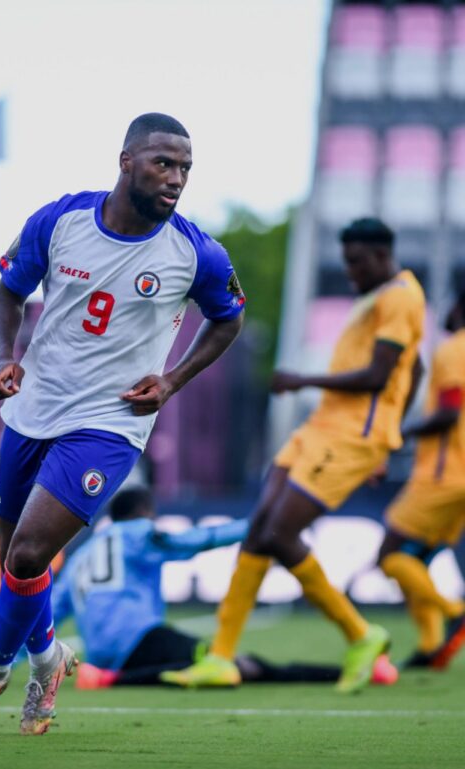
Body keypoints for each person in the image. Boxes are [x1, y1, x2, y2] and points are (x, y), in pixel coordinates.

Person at [0, 113, 246, 735]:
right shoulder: (59, 221)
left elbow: (229, 318)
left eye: (185, 168)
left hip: (110, 422)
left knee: (29, 551)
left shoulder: (197, 252)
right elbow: (6, 296)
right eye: (163, 163)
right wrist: (3, 358)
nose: (175, 178)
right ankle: (47, 660)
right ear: (126, 160)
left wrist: (173, 379)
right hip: (33, 409)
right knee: (16, 564)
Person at [162, 217, 425, 694]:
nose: (351, 273)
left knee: (280, 533)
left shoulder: (402, 298)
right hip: (322, 430)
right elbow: (417, 366)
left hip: (348, 438)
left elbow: (379, 375)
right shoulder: (380, 296)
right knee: (260, 528)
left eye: (357, 263)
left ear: (382, 256)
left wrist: (304, 382)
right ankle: (221, 656)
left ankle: (362, 634)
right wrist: (395, 431)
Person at [49, 488, 397, 689]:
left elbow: (50, 615)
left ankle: (107, 673)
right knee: (230, 664)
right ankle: (112, 680)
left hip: (97, 648)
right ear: (144, 513)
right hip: (139, 639)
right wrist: (253, 528)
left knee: (216, 663)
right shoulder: (138, 532)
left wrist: (8, 658)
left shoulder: (81, 556)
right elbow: (190, 541)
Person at [378, 290, 465, 669]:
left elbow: (449, 413)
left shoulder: (453, 349)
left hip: (445, 475)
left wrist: (403, 431)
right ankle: (432, 647)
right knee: (421, 559)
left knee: (391, 554)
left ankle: (453, 610)